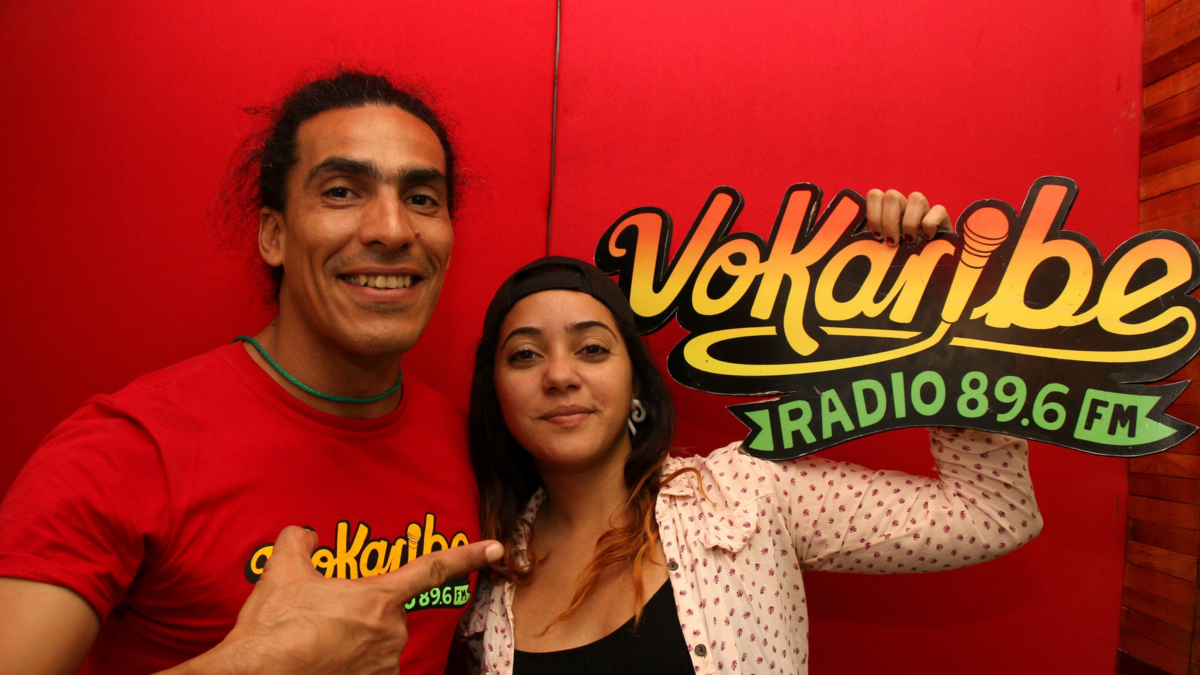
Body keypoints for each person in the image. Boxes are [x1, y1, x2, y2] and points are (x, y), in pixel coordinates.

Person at [0, 70, 503, 675]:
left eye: (421, 198)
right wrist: (262, 664)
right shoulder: (127, 448)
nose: (393, 230)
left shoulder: (472, 445)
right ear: (274, 236)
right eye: (342, 191)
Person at [460, 256, 1043, 674]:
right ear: (497, 393)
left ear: (635, 382)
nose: (559, 375)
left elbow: (992, 513)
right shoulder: (480, 583)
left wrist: (944, 294)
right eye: (525, 354)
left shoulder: (743, 495)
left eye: (592, 349)